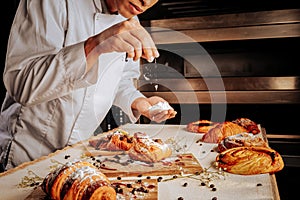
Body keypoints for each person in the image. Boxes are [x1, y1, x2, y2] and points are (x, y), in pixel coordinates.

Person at [0, 0, 177, 172]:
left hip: (78, 152)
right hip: (28, 153)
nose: (146, 1)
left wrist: (138, 101)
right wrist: (96, 45)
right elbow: (21, 85)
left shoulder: (131, 20)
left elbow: (120, 79)